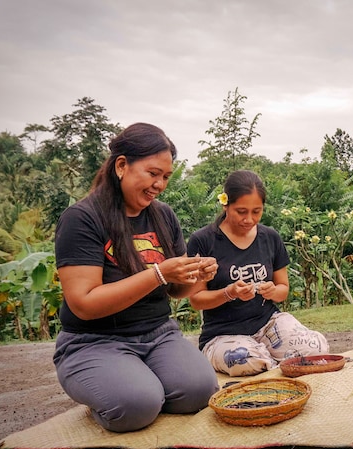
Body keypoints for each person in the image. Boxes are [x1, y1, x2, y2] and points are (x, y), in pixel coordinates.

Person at [53, 123, 220, 433]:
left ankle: (138, 380)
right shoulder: (82, 218)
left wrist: (196, 273)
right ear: (121, 166)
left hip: (158, 334)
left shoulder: (163, 214)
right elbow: (84, 304)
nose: (160, 184)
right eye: (152, 173)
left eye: (166, 177)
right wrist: (157, 273)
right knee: (136, 406)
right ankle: (121, 387)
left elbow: (177, 290)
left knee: (201, 391)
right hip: (94, 342)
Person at [187, 170, 329, 377]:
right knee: (244, 360)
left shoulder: (270, 238)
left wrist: (272, 291)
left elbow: (283, 289)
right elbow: (196, 300)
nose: (249, 219)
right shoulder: (203, 240)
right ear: (225, 204)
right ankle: (272, 363)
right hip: (222, 333)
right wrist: (229, 293)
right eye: (241, 211)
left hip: (268, 324)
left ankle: (271, 362)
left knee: (316, 348)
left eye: (256, 211)